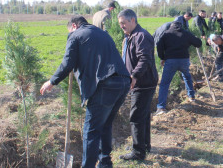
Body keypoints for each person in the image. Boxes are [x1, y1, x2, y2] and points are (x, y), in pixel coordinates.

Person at [39, 15, 130, 168]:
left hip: (106, 84)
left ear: (74, 26)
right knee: (105, 124)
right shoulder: (101, 33)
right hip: (123, 82)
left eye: (69, 30)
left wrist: (52, 81)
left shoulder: (75, 35)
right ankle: (105, 163)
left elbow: (67, 63)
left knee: (91, 130)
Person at [118, 9, 158, 161]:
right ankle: (143, 145)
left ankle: (138, 152)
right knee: (143, 115)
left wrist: (134, 76)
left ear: (133, 20)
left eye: (123, 23)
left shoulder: (141, 36)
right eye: (120, 23)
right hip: (141, 82)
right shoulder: (131, 36)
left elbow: (145, 59)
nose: (122, 26)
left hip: (143, 82)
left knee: (135, 116)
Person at [155, 21, 202, 115]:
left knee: (164, 83)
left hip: (171, 61)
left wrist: (162, 58)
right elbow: (198, 43)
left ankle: (161, 108)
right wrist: (196, 39)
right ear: (181, 26)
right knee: (187, 76)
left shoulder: (166, 34)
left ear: (170, 26)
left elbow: (159, 46)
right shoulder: (186, 33)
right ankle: (191, 96)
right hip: (184, 60)